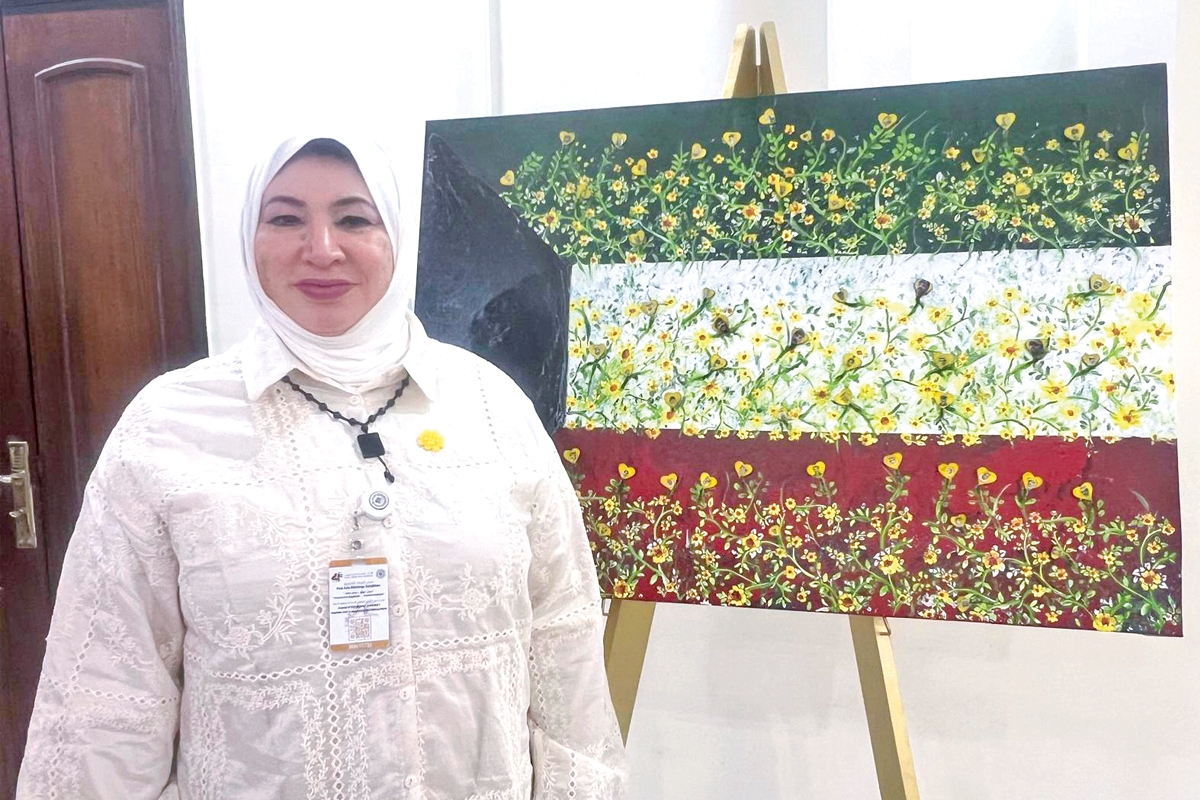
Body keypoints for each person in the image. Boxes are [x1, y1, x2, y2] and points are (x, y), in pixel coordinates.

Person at [16, 134, 625, 799]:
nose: (322, 249)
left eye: (354, 219)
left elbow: (563, 641)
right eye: (285, 219)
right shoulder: (168, 426)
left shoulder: (490, 407)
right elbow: (107, 689)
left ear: (396, 235)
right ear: (250, 238)